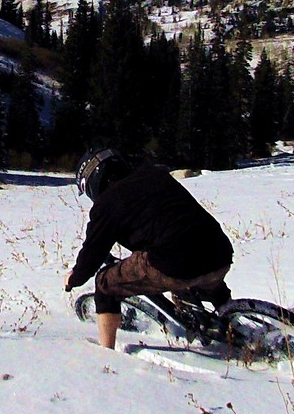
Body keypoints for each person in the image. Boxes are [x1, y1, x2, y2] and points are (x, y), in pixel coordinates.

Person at [65, 148, 234, 349]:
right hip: (219, 250)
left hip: (177, 262)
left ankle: (106, 351)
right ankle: (231, 319)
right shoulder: (153, 174)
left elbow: (92, 254)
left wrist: (74, 278)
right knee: (197, 270)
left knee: (105, 285)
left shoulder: (107, 203)